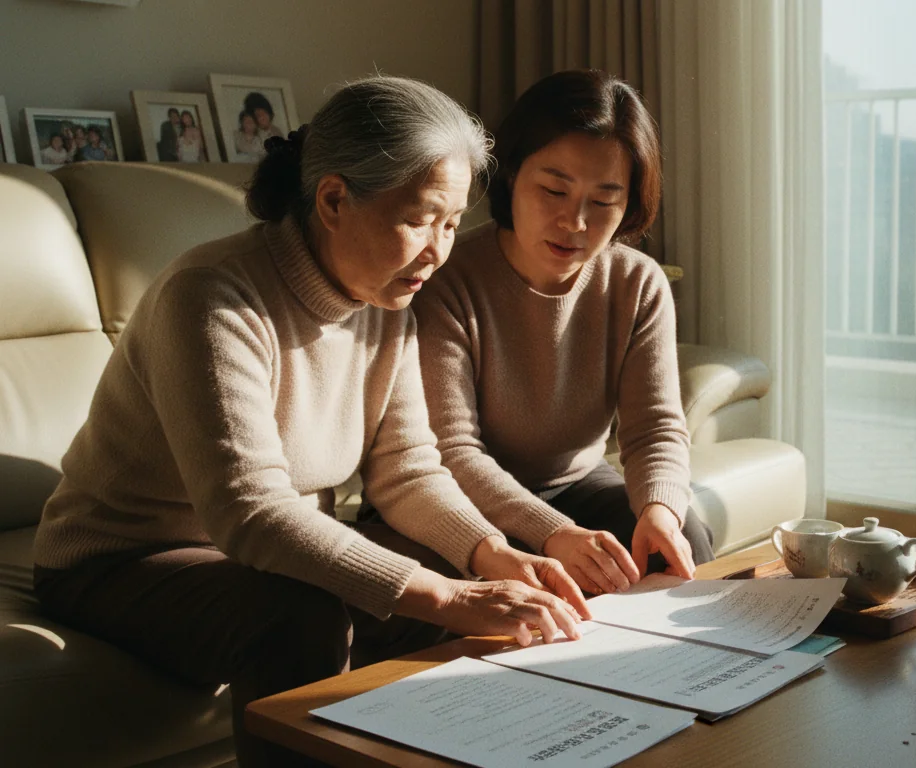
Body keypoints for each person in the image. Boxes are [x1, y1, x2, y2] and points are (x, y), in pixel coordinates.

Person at [32, 75, 587, 767]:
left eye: (451, 224)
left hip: (250, 552)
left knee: (451, 576)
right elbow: (250, 511)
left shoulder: (387, 304)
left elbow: (409, 469)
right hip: (122, 561)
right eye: (420, 218)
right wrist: (449, 596)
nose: (437, 251)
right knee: (303, 615)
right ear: (332, 199)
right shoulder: (211, 298)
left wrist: (491, 556)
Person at [415, 69, 715, 598]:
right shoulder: (447, 281)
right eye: (554, 190)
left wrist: (660, 509)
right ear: (511, 177)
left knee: (683, 533)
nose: (575, 222)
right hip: (460, 498)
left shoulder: (637, 283)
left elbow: (655, 430)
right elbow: (453, 452)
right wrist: (551, 534)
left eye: (603, 202)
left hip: (574, 485)